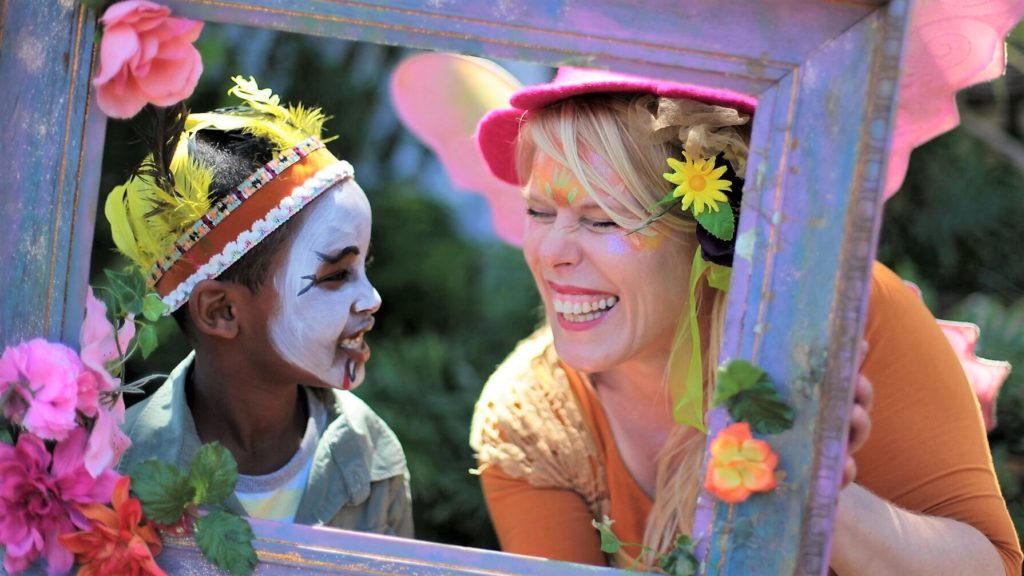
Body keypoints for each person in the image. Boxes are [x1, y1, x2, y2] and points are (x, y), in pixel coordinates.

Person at [469, 67, 1021, 574]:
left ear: (713, 233)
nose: (551, 252)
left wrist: (820, 497)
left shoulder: (846, 315)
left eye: (603, 218)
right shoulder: (536, 422)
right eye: (540, 211)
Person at [110, 77, 413, 536]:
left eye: (364, 267)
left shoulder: (373, 457)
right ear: (221, 312)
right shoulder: (117, 470)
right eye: (336, 276)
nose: (372, 299)